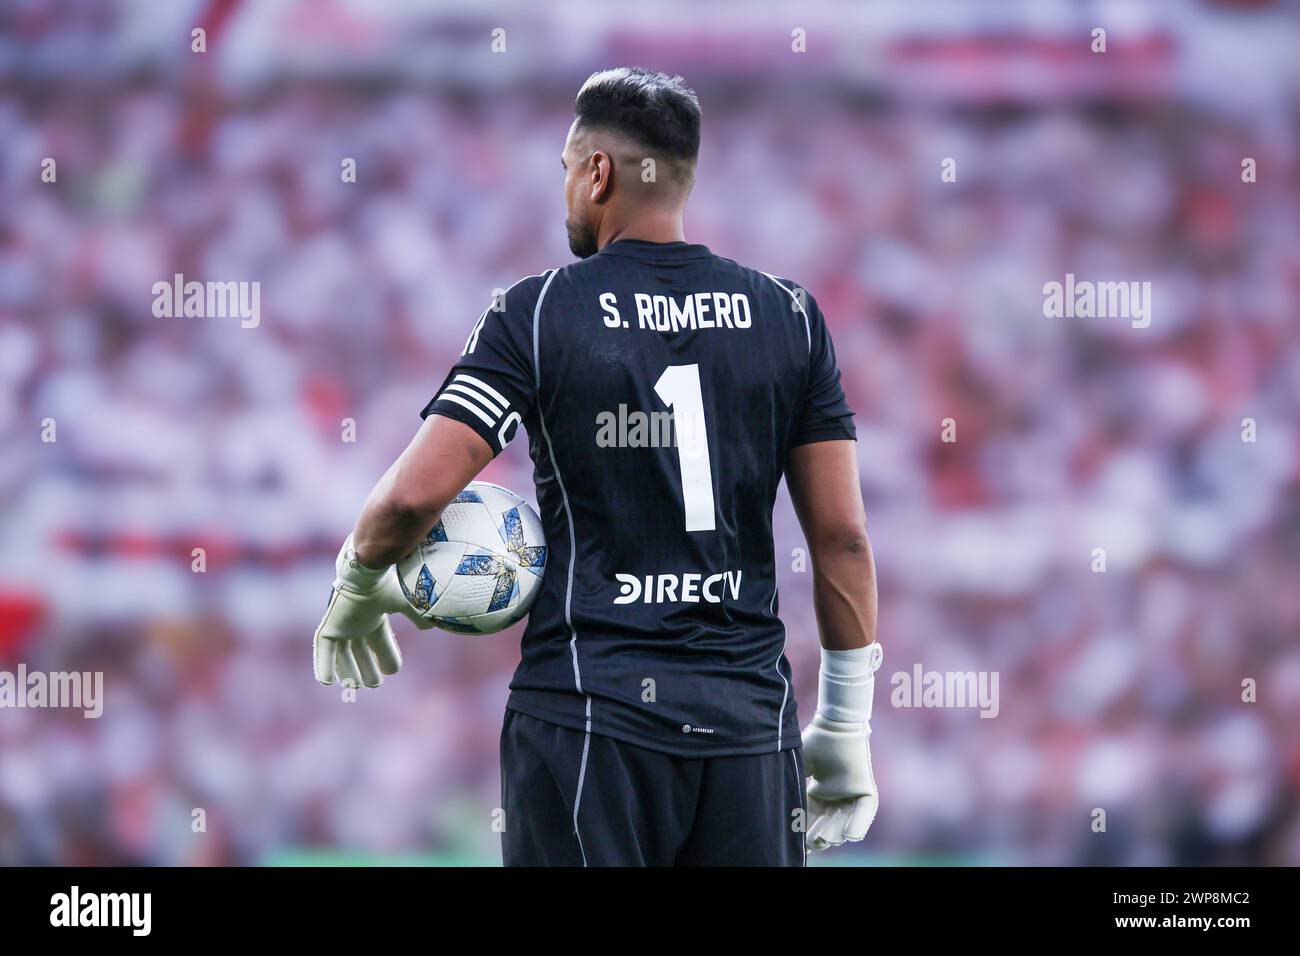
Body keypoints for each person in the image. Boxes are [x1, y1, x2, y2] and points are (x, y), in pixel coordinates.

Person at [313, 67, 881, 866]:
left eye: (566, 171)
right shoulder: (790, 316)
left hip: (588, 719)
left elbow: (412, 497)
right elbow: (843, 538)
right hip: (749, 731)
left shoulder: (538, 311)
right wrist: (847, 721)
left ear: (599, 172)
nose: (566, 193)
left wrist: (357, 584)